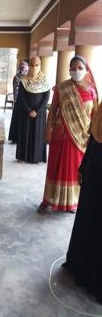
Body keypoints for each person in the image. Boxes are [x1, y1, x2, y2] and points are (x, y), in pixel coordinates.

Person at [38, 55, 98, 213]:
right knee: (55, 168)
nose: (76, 71)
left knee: (74, 170)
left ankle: (72, 202)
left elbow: (96, 116)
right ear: (69, 69)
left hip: (81, 137)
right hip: (61, 134)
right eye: (73, 68)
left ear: (86, 69)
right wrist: (48, 130)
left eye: (80, 68)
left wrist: (93, 136)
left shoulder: (93, 91)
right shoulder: (62, 88)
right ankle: (49, 199)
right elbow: (53, 110)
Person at [62, 100, 102, 303]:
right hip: (96, 169)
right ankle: (83, 268)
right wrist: (83, 167)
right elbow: (95, 138)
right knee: (90, 220)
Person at [15, 57, 50, 163]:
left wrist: (37, 110)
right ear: (29, 65)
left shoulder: (45, 80)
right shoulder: (23, 80)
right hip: (25, 112)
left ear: (40, 66)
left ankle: (36, 157)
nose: (34, 67)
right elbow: (20, 97)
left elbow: (46, 97)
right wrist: (29, 110)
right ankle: (23, 157)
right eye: (32, 65)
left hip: (39, 113)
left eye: (37, 65)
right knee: (25, 134)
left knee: (37, 134)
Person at [8, 61, 29, 143]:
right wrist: (17, 100)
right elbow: (16, 90)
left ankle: (23, 138)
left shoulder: (29, 77)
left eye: (24, 68)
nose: (23, 69)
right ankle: (16, 137)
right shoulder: (17, 77)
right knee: (18, 119)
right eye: (21, 68)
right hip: (19, 102)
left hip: (27, 103)